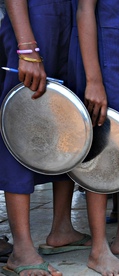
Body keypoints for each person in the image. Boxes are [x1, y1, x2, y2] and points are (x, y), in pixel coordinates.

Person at [0, 1, 92, 275]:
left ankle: (61, 227)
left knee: (66, 120)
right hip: (33, 21)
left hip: (71, 20)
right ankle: (22, 248)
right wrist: (26, 47)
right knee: (22, 122)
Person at [71, 0, 119, 274]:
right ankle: (98, 249)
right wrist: (93, 79)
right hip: (105, 49)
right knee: (103, 141)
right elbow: (84, 9)